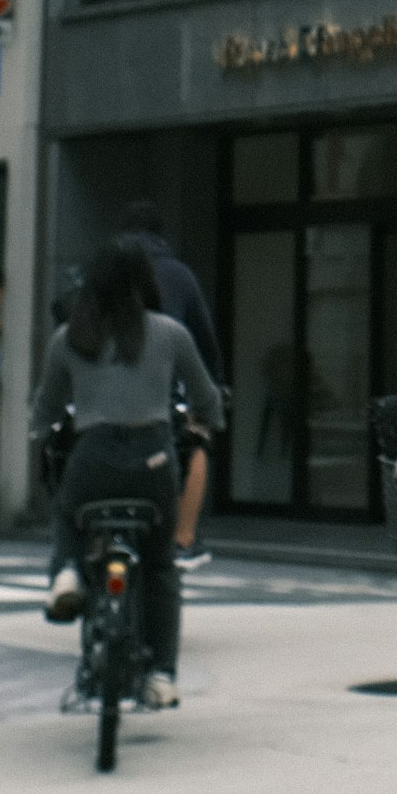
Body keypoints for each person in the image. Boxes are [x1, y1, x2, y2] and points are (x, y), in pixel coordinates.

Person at [33, 235, 224, 711]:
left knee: (66, 513)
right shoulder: (170, 333)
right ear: (145, 283)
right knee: (160, 566)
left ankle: (70, 572)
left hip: (92, 463)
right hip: (153, 464)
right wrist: (210, 420)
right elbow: (206, 397)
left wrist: (42, 430)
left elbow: (44, 410)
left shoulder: (70, 339)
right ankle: (161, 675)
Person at [116, 203, 224, 568]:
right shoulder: (178, 276)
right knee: (196, 440)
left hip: (103, 396)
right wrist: (214, 391)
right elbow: (205, 343)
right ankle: (184, 537)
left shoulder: (103, 273)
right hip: (165, 395)